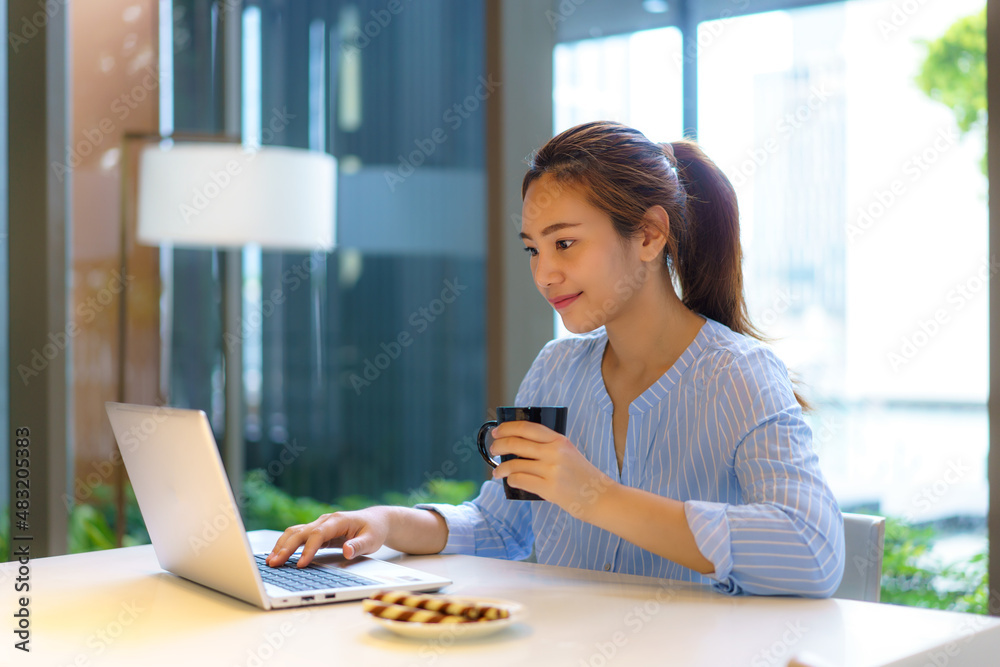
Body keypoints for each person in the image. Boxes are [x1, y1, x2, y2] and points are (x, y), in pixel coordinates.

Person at [267, 120, 845, 597]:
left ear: (647, 235)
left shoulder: (739, 374)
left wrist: (595, 495)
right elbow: (501, 526)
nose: (544, 273)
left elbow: (813, 551)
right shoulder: (556, 368)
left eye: (565, 243)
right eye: (532, 249)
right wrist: (385, 523)